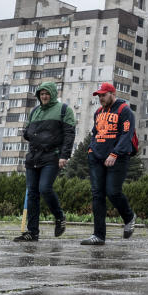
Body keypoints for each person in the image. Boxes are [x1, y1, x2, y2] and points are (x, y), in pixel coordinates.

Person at [13, 81, 76, 242]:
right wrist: (27, 132)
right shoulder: (35, 111)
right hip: (34, 156)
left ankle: (59, 217)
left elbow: (69, 135)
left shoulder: (64, 110)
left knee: (45, 188)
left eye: (47, 93)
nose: (44, 96)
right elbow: (29, 132)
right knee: (32, 193)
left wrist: (64, 156)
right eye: (41, 94)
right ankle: (32, 232)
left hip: (52, 156)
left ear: (53, 94)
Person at [80, 82, 137, 245]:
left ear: (113, 93)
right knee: (97, 194)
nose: (101, 98)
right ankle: (98, 235)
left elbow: (127, 135)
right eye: (99, 96)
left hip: (117, 158)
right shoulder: (98, 112)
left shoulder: (124, 110)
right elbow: (95, 132)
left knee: (113, 192)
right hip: (96, 157)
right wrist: (91, 150)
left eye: (103, 95)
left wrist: (114, 153)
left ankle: (129, 216)